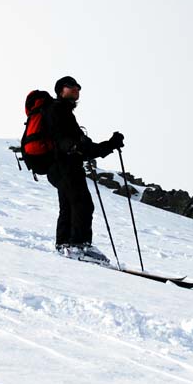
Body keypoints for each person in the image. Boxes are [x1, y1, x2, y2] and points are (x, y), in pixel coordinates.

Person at [44, 75, 124, 263]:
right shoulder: (56, 110)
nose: (76, 89)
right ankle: (79, 246)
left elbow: (87, 148)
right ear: (60, 90)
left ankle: (64, 244)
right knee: (82, 204)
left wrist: (110, 144)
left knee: (69, 205)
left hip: (62, 167)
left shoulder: (66, 114)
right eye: (71, 86)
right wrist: (71, 146)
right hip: (64, 166)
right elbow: (60, 138)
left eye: (78, 87)